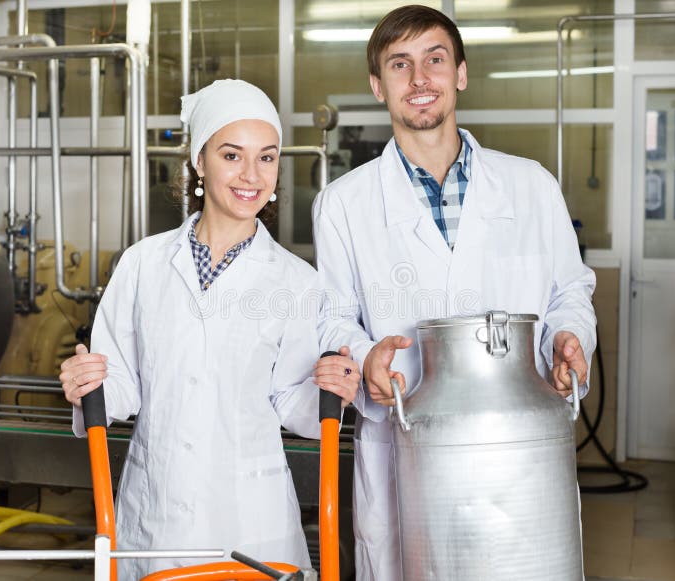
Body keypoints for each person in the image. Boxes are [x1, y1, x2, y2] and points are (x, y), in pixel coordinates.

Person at [311, 6, 597, 581]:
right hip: (404, 441)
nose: (420, 80)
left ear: (460, 73)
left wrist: (571, 338)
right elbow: (333, 317)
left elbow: (570, 289)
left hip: (517, 455)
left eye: (434, 60)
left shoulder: (531, 185)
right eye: (400, 65)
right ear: (378, 86)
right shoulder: (342, 204)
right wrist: (365, 356)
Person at [58, 79, 360, 579]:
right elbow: (122, 386)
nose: (252, 175)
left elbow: (294, 401)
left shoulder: (297, 281)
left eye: (266, 158)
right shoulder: (142, 265)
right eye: (232, 155)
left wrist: (332, 389)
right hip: (156, 514)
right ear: (200, 161)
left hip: (250, 520)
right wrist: (86, 384)